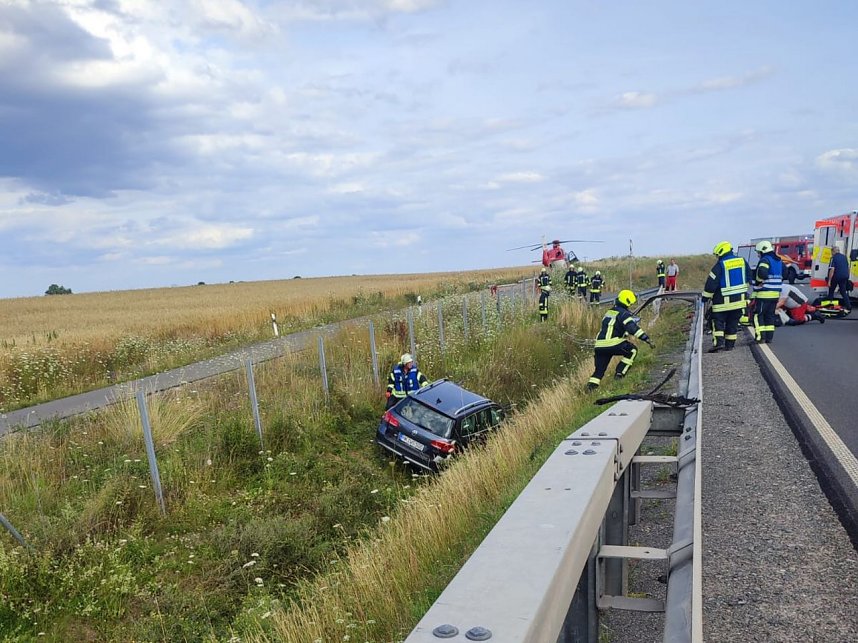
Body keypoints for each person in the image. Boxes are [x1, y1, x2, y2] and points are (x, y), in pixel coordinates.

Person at [587, 289, 652, 389]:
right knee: (632, 350)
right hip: (613, 343)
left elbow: (613, 327)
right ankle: (620, 374)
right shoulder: (624, 314)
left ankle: (590, 389)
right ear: (627, 301)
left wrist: (624, 333)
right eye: (630, 303)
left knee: (599, 371)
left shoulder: (610, 312)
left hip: (600, 345)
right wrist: (645, 338)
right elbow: (632, 328)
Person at [702, 241, 751, 352]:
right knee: (732, 323)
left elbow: (711, 284)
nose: (717, 257)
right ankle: (730, 345)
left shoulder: (720, 265)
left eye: (717, 255)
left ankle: (718, 343)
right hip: (739, 301)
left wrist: (705, 297)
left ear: (721, 252)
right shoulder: (742, 261)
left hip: (722, 302)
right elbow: (749, 277)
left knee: (717, 322)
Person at [752, 240, 783, 343]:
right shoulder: (778, 260)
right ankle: (769, 338)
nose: (758, 255)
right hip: (775, 294)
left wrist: (759, 282)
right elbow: (786, 273)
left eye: (758, 252)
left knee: (758, 315)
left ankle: (760, 337)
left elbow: (762, 273)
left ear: (762, 251)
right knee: (769, 316)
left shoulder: (765, 260)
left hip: (764, 293)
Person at [826, 246, 852, 312]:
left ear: (833, 251)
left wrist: (829, 281)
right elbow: (848, 268)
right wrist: (847, 276)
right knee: (843, 292)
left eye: (831, 252)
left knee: (831, 291)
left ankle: (829, 306)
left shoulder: (833, 258)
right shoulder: (844, 257)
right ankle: (849, 306)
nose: (831, 253)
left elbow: (832, 269)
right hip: (844, 276)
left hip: (836, 277)